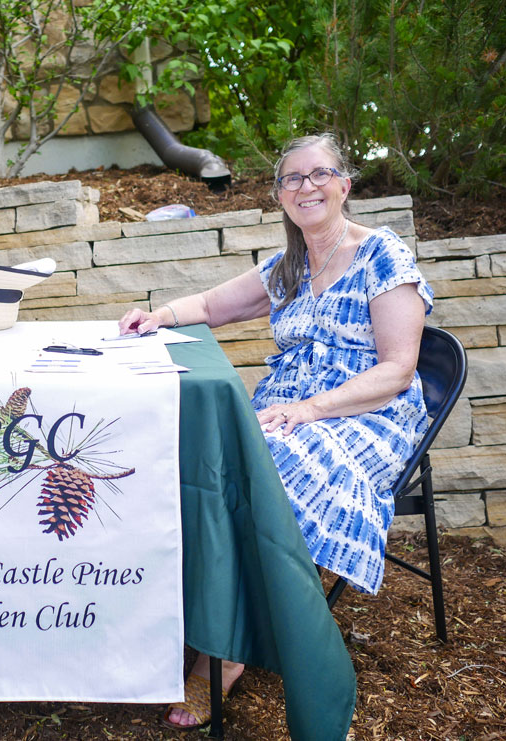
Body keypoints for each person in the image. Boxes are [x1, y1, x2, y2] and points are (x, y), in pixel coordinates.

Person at [119, 133, 433, 730]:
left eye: (320, 174)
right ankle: (211, 609)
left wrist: (312, 409)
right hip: (287, 411)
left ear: (345, 183)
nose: (306, 186)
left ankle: (226, 654)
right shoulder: (290, 264)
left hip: (364, 415)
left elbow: (397, 370)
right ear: (280, 196)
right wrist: (157, 315)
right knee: (214, 453)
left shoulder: (382, 254)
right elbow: (213, 305)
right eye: (292, 178)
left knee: (272, 468)